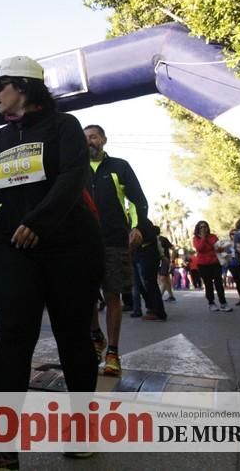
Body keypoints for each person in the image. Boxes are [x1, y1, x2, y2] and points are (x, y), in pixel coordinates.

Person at [0, 56, 104, 471]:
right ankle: (4, 448)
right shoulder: (1, 138)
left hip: (70, 245)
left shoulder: (64, 127)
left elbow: (71, 177)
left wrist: (38, 221)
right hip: (13, 246)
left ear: (23, 86)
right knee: (12, 338)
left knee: (72, 336)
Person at [84, 124, 153, 376]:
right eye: (85, 138)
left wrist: (138, 228)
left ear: (103, 140)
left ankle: (112, 352)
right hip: (83, 244)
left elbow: (137, 200)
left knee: (113, 296)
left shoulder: (119, 166)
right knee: (86, 297)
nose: (89, 141)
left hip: (114, 242)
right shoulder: (75, 169)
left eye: (93, 137)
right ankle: (95, 337)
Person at [192, 220, 233, 312]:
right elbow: (199, 249)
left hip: (215, 263)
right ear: (198, 229)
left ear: (208, 227)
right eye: (201, 227)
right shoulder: (196, 239)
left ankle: (223, 303)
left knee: (219, 284)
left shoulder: (213, 237)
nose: (203, 228)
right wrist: (202, 238)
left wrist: (221, 248)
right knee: (208, 284)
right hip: (203, 264)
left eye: (205, 226)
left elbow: (218, 247)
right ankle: (211, 302)